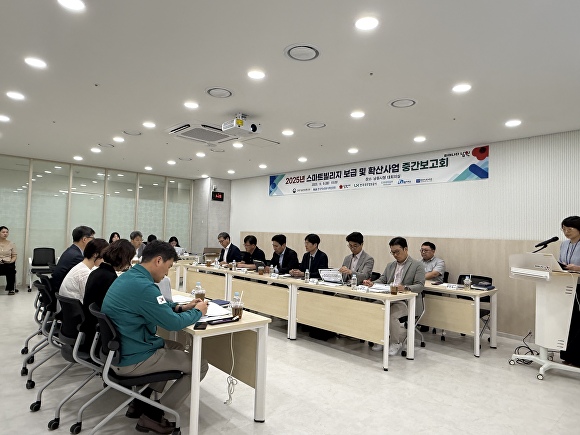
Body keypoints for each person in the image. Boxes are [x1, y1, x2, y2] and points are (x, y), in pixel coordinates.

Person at [102, 240, 208, 433]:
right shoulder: (144, 287)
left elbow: (156, 305)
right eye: (168, 266)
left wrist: (181, 307)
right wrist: (198, 312)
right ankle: (154, 415)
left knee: (176, 346)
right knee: (199, 365)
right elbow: (172, 323)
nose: (167, 273)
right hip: (133, 358)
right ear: (158, 260)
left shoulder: (130, 277)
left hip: (120, 351)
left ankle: (141, 401)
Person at [362, 237, 425, 355]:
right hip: (388, 298)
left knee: (392, 315)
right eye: (393, 252)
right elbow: (383, 280)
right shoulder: (390, 265)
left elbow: (420, 286)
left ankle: (396, 342)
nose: (395, 255)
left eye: (397, 252)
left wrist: (405, 288)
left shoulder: (417, 265)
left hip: (406, 301)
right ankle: (380, 339)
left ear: (405, 249)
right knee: (373, 309)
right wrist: (372, 283)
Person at [82, 239, 135, 352]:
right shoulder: (109, 278)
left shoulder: (96, 272)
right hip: (101, 334)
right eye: (129, 259)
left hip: (90, 329)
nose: (129, 264)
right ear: (123, 258)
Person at [559, 216, 580, 367]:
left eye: (570, 229)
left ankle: (578, 358)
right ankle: (567, 356)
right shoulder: (564, 244)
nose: (566, 232)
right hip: (566, 286)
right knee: (568, 322)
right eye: (564, 229)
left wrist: (577, 268)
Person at [51, 226, 95, 292]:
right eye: (92, 238)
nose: (93, 241)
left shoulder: (72, 250)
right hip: (63, 291)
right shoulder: (76, 256)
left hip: (59, 288)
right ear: (84, 239)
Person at [0, 226, 18, 295]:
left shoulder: (11, 244)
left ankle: (10, 289)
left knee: (11, 269)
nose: (5, 234)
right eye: (3, 232)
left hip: (8, 263)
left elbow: (14, 256)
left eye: (7, 232)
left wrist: (11, 261)